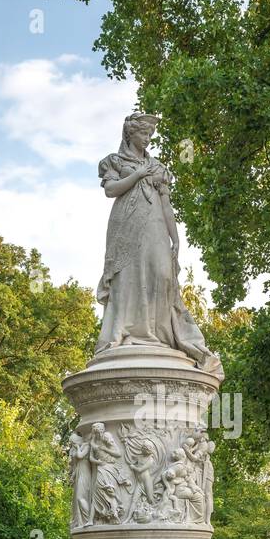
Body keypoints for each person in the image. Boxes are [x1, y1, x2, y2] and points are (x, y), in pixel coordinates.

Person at [95, 112, 223, 378]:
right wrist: (137, 175)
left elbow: (166, 204)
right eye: (144, 133)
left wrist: (175, 237)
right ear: (131, 134)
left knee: (162, 275)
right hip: (126, 224)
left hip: (155, 226)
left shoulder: (159, 168)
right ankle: (126, 331)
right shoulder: (115, 161)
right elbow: (110, 190)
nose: (148, 138)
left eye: (150, 135)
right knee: (128, 275)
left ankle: (159, 334)